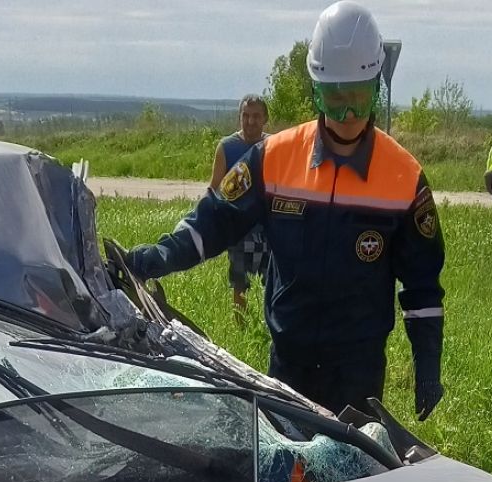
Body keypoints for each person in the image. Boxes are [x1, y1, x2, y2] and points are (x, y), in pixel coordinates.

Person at [126, 0, 445, 420]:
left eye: (359, 99)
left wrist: (427, 366)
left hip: (358, 373)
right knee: (287, 478)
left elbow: (422, 285)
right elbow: (216, 219)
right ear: (316, 91)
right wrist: (156, 258)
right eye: (334, 100)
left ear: (377, 88)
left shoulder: (404, 176)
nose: (347, 116)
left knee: (350, 479)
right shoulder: (273, 158)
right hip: (287, 364)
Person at [210, 95, 270, 316]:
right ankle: (241, 328)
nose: (250, 121)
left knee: (273, 284)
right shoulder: (227, 147)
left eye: (256, 116)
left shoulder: (273, 146)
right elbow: (214, 189)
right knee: (239, 284)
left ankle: (270, 329)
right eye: (245, 115)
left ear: (265, 119)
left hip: (269, 229)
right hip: (239, 230)